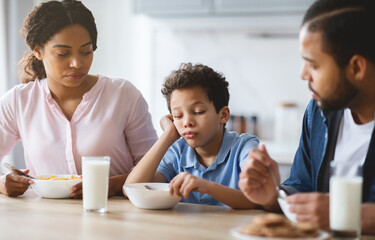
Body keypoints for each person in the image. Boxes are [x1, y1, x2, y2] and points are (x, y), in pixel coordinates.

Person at [239, 0, 375, 234]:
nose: (303, 75)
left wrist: (354, 215)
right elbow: (301, 188)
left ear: (356, 68)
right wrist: (273, 197)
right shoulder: (319, 111)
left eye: (313, 65)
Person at [0, 0, 157, 198]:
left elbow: (158, 171)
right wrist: (2, 183)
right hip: (46, 220)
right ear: (37, 50)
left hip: (114, 216)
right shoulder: (17, 101)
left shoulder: (123, 95)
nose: (77, 63)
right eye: (63, 53)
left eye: (86, 52)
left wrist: (114, 185)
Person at [125, 63, 259, 208]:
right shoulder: (177, 151)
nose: (187, 122)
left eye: (198, 111)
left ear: (223, 115)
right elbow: (131, 188)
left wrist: (206, 186)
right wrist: (168, 135)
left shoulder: (245, 147)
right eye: (178, 115)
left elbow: (257, 199)